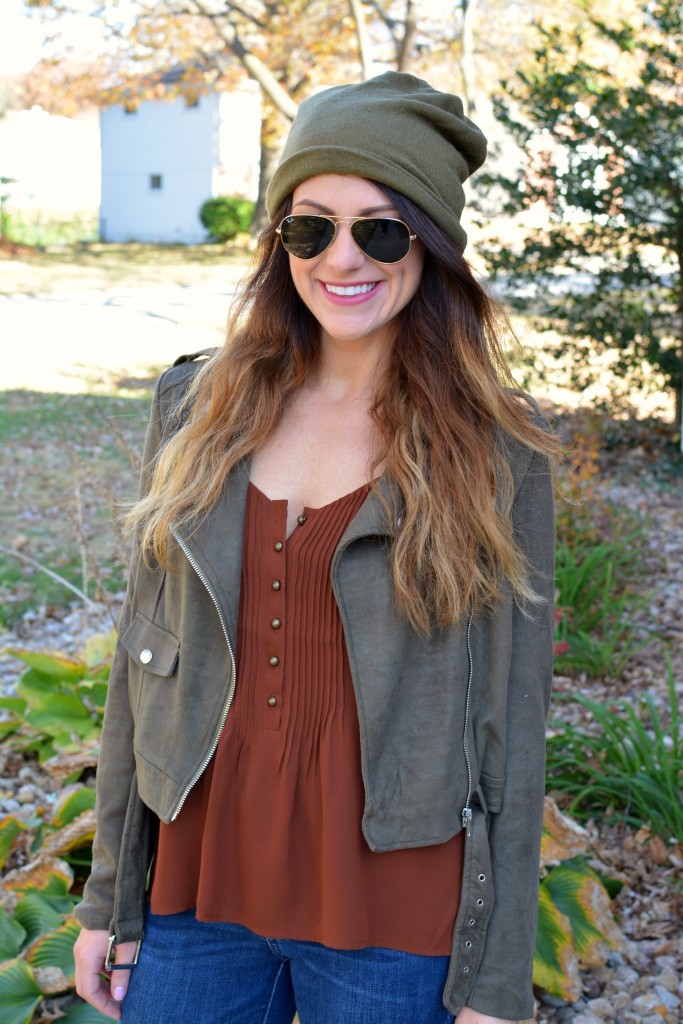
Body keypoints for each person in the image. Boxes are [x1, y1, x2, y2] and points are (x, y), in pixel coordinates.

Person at [74, 71, 557, 1024]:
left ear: (431, 245)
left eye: (380, 228)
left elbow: (510, 726)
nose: (342, 257)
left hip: (395, 916)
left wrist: (495, 984)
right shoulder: (196, 410)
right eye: (310, 226)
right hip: (197, 895)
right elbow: (142, 678)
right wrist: (108, 900)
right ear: (278, 242)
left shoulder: (498, 451)